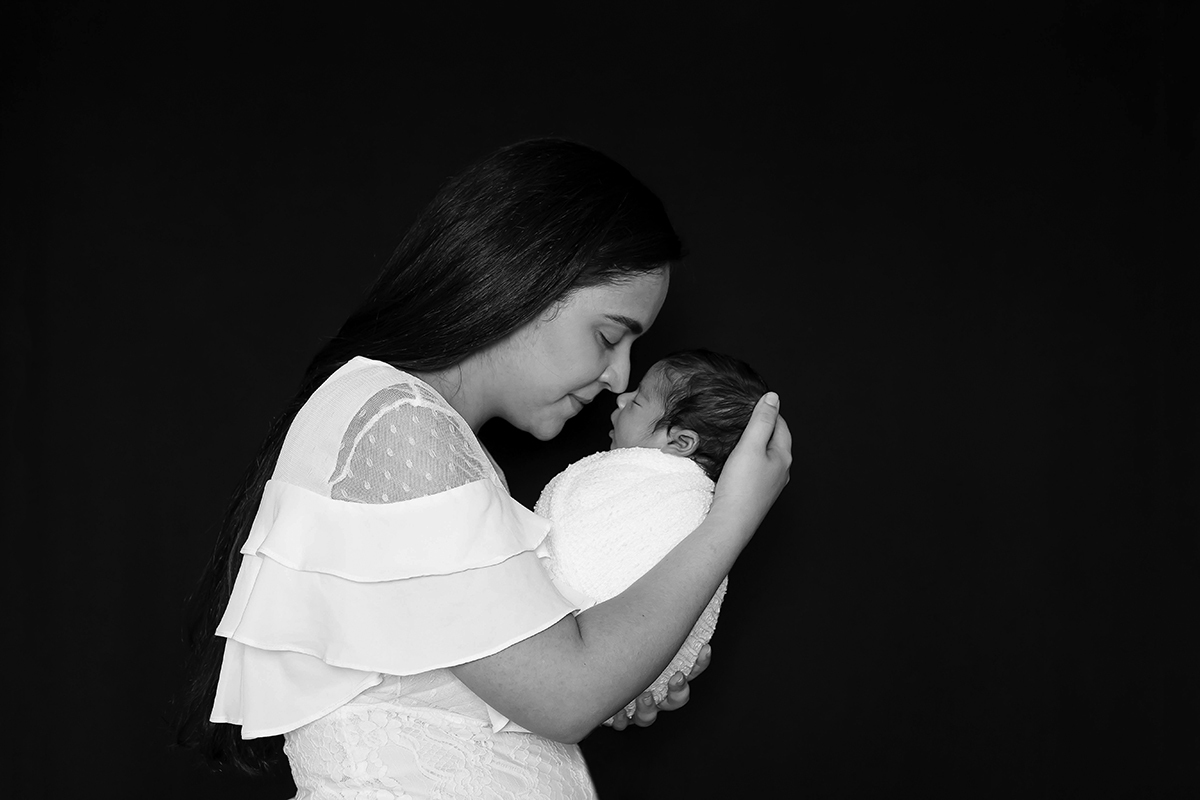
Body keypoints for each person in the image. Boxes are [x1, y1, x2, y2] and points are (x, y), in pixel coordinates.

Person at [176, 139, 791, 799]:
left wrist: (633, 659)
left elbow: (542, 683)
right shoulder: (399, 429)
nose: (618, 376)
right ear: (523, 280)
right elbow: (566, 694)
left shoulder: (414, 431)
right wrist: (732, 517)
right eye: (610, 337)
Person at [536, 349, 769, 721]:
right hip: (593, 676)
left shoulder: (678, 505)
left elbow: (562, 546)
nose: (622, 398)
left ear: (680, 442)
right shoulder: (710, 517)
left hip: (563, 660)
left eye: (638, 400)